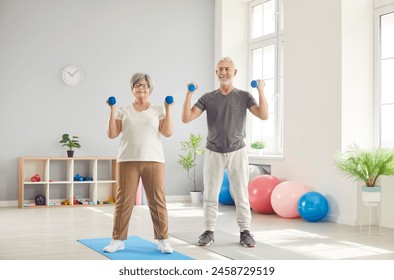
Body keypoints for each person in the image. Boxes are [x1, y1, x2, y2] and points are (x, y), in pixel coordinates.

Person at [181, 57, 268, 247]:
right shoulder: (207, 97)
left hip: (237, 150)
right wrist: (189, 93)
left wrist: (260, 90)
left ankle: (245, 232)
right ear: (216, 72)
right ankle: (209, 231)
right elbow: (186, 118)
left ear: (234, 72)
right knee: (210, 194)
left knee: (241, 193)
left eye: (227, 69)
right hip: (213, 150)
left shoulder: (244, 96)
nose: (223, 72)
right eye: (220, 69)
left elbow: (263, 115)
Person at [104, 72, 174, 254]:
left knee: (157, 201)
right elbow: (112, 134)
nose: (141, 88)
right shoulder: (123, 110)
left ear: (150, 89)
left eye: (144, 85)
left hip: (154, 159)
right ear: (132, 89)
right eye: (137, 85)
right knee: (123, 201)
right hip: (127, 159)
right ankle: (117, 240)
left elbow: (167, 133)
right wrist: (112, 110)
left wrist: (169, 108)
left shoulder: (159, 109)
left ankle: (163, 240)